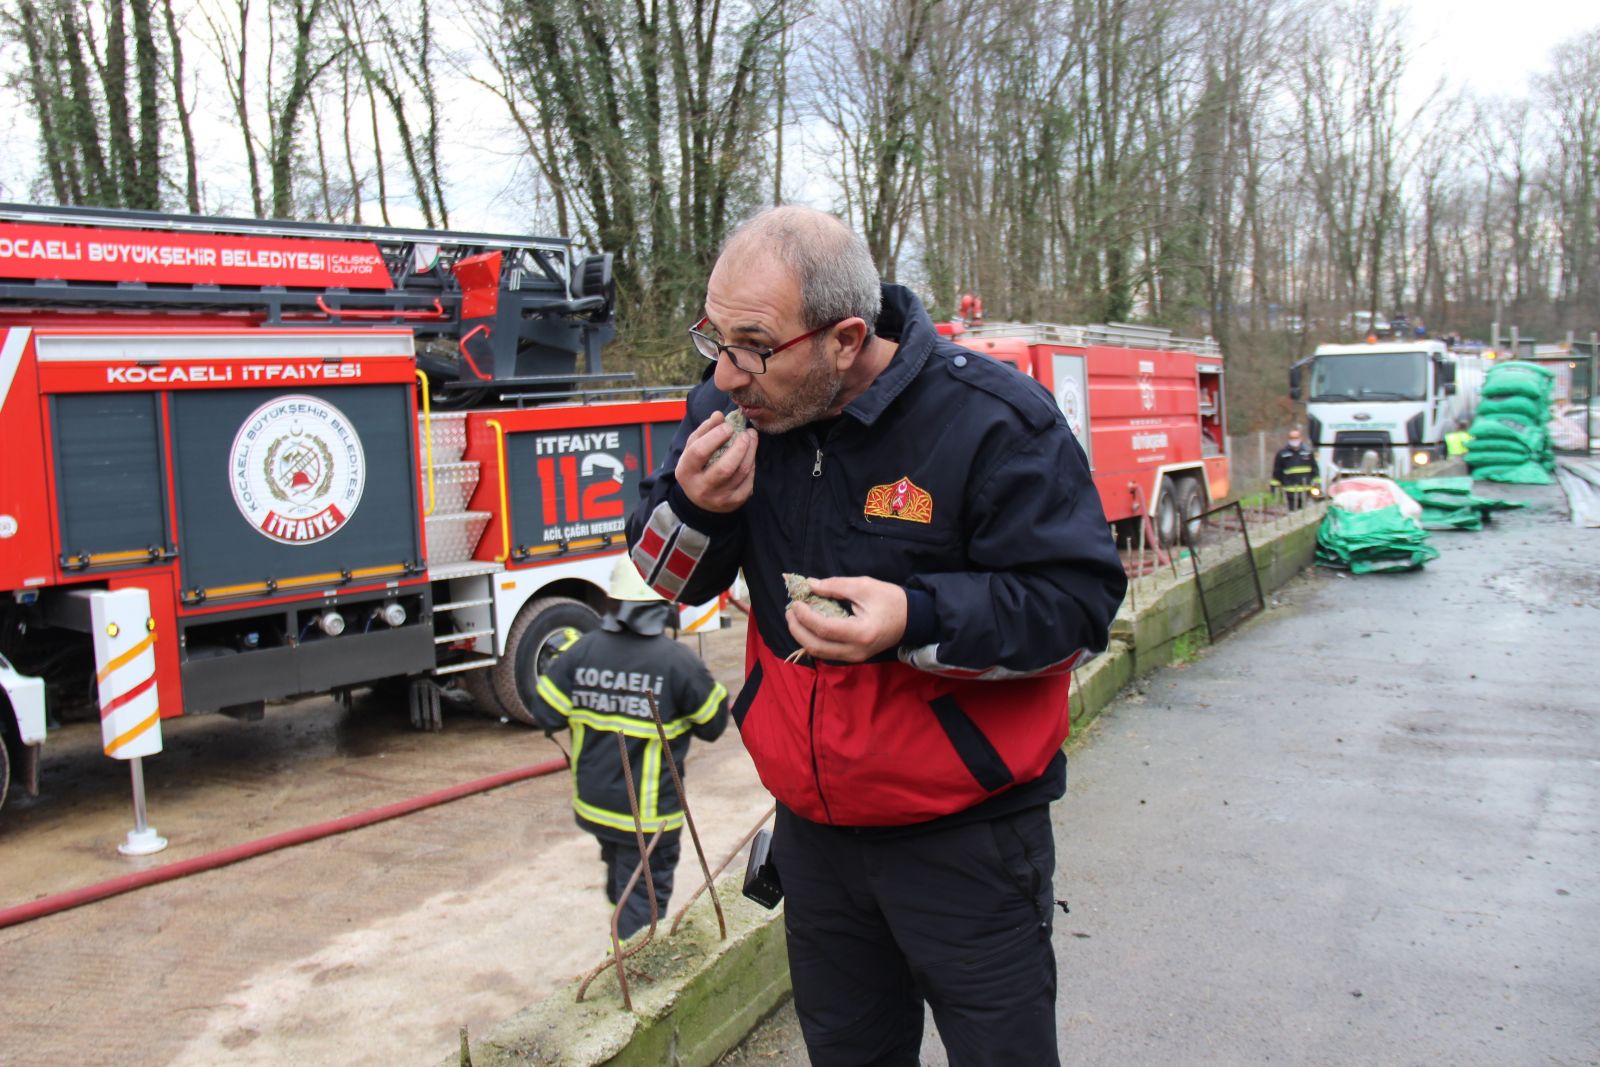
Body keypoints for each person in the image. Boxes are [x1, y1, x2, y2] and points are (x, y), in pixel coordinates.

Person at [626, 205, 1126, 1065]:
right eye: (714, 337)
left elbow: (1077, 610)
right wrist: (693, 507)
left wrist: (917, 618)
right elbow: (670, 577)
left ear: (845, 338)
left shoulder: (994, 421)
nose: (728, 373)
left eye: (752, 344)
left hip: (968, 838)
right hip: (815, 838)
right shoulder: (732, 406)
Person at [529, 556, 729, 940]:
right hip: (648, 820)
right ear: (663, 603)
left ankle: (617, 946)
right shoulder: (677, 663)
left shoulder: (581, 652)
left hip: (596, 807)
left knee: (621, 882)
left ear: (614, 600)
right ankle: (629, 970)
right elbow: (714, 724)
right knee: (643, 901)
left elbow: (546, 714)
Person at [1271, 427, 1320, 511]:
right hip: (1290, 490)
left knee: (1304, 512)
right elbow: (1277, 472)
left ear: (1300, 438)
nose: (1294, 440)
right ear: (1288, 439)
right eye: (1292, 438)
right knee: (1293, 512)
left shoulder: (1308, 452)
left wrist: (1317, 484)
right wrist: (1274, 488)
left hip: (1306, 489)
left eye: (1296, 438)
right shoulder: (1282, 453)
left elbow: (1315, 469)